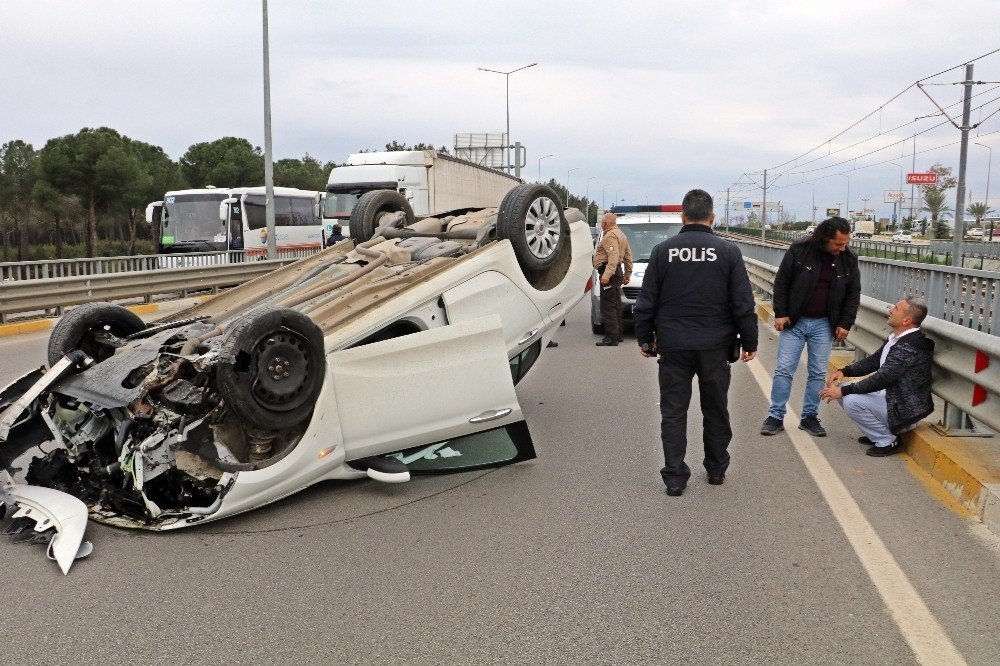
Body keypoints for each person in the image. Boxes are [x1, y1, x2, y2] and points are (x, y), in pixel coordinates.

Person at [633, 189, 758, 496]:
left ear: (682, 217)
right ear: (712, 217)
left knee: (673, 411)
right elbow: (743, 302)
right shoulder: (728, 252)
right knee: (716, 408)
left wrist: (645, 338)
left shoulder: (664, 252)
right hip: (715, 345)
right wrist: (750, 340)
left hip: (674, 345)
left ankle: (675, 478)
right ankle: (716, 470)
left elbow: (647, 301)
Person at [760, 217, 861, 438]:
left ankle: (810, 416)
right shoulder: (800, 249)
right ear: (825, 239)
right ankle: (776, 416)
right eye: (838, 244)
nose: (842, 248)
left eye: (845, 243)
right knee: (784, 369)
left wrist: (845, 323)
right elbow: (782, 282)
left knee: (817, 372)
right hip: (794, 321)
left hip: (825, 324)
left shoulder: (848, 258)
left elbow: (853, 293)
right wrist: (781, 312)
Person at [819, 296, 934, 456]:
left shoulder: (909, 346)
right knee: (841, 389)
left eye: (896, 308)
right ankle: (876, 433)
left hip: (905, 410)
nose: (890, 310)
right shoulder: (896, 338)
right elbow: (874, 361)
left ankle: (887, 440)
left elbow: (882, 378)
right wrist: (844, 371)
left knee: (851, 399)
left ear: (906, 320)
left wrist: (845, 392)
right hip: (892, 399)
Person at [593, 212, 633, 346]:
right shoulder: (621, 234)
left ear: (605, 223)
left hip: (609, 272)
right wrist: (627, 274)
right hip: (617, 272)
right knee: (615, 304)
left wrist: (606, 275)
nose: (601, 224)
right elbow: (628, 256)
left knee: (608, 306)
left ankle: (612, 337)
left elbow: (613, 257)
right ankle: (618, 334)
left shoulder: (610, 235)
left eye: (602, 222)